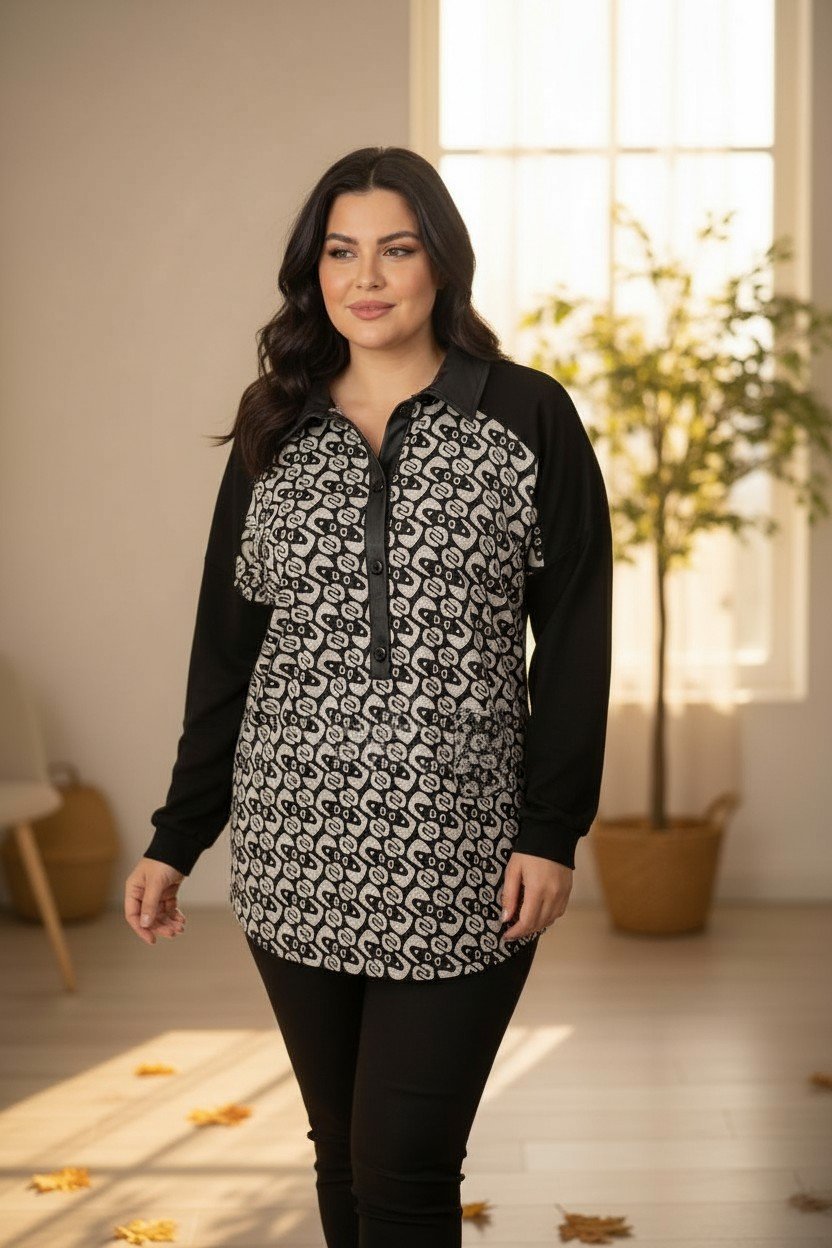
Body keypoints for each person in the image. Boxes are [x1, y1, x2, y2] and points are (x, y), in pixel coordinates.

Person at [124, 145, 613, 1248]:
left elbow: (577, 635)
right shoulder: (272, 422)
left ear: (442, 263)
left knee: (405, 1168)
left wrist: (551, 829)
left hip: (462, 851)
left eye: (397, 249)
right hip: (295, 846)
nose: (369, 277)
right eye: (343, 252)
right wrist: (178, 834)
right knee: (341, 1155)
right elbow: (227, 652)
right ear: (315, 270)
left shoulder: (526, 415)